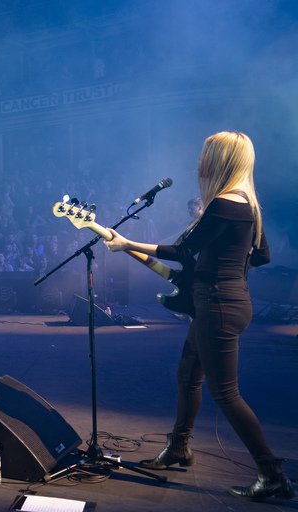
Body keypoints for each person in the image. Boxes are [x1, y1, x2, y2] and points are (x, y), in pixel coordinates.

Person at [104, 131, 291, 501]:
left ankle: (271, 474)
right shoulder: (247, 202)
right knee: (188, 375)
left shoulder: (223, 203)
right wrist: (225, 270)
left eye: (206, 154)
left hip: (218, 306)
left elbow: (184, 250)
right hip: (225, 301)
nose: (199, 162)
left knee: (226, 393)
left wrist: (126, 243)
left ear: (220, 160)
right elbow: (262, 255)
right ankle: (178, 447)